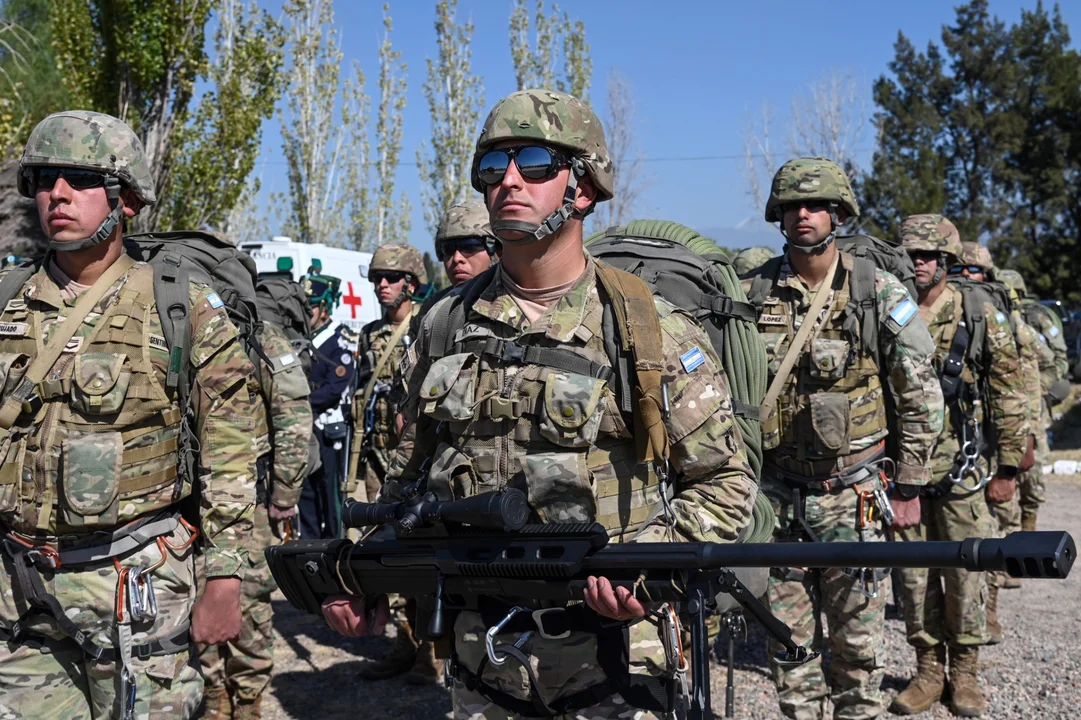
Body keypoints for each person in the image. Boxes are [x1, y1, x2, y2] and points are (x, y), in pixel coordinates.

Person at [322, 88, 758, 719]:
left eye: (534, 163)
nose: (508, 181)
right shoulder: (443, 324)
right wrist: (365, 574)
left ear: (584, 188)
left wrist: (646, 568)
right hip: (485, 664)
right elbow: (407, 480)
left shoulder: (646, 329)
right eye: (492, 166)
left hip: (619, 664)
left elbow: (724, 482)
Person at [0, 111, 254, 718]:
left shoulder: (180, 305)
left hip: (134, 590)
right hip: (19, 590)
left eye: (83, 179)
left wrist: (225, 577)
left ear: (127, 200)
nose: (58, 194)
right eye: (45, 179)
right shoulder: (7, 300)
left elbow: (231, 449)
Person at [742, 158, 943, 720]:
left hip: (853, 495)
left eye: (815, 206)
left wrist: (910, 483)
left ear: (839, 214)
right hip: (777, 498)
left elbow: (919, 389)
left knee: (858, 651)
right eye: (791, 207)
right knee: (788, 647)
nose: (803, 215)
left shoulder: (875, 289)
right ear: (778, 216)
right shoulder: (754, 291)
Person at [890, 220, 1027, 716]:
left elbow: (1009, 389)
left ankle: (965, 673)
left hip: (963, 470)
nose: (920, 263)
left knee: (967, 575)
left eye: (929, 255)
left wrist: (1008, 467)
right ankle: (928, 671)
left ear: (947, 260)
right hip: (902, 470)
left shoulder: (977, 311)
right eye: (912, 254)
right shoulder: (889, 308)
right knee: (912, 578)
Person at [200, 320, 313, 719]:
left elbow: (293, 414)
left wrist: (285, 492)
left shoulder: (255, 332)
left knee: (248, 598)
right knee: (194, 594)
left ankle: (248, 701)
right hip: (189, 498)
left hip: (249, 498)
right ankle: (214, 696)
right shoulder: (174, 318)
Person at [345, 242, 432, 683]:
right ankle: (405, 643)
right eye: (377, 277)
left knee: (420, 553)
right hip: (376, 458)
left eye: (392, 277)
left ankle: (430, 651)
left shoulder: (427, 326)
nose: (382, 285)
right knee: (386, 552)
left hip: (415, 462)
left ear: (412, 283)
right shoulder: (370, 334)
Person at [298, 273, 356, 539]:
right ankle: (309, 547)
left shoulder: (339, 339)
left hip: (328, 431)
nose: (305, 311)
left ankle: (336, 548)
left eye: (310, 305)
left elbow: (335, 388)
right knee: (306, 492)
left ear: (324, 308)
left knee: (331, 494)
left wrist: (298, 402)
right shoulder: (301, 338)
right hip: (304, 427)